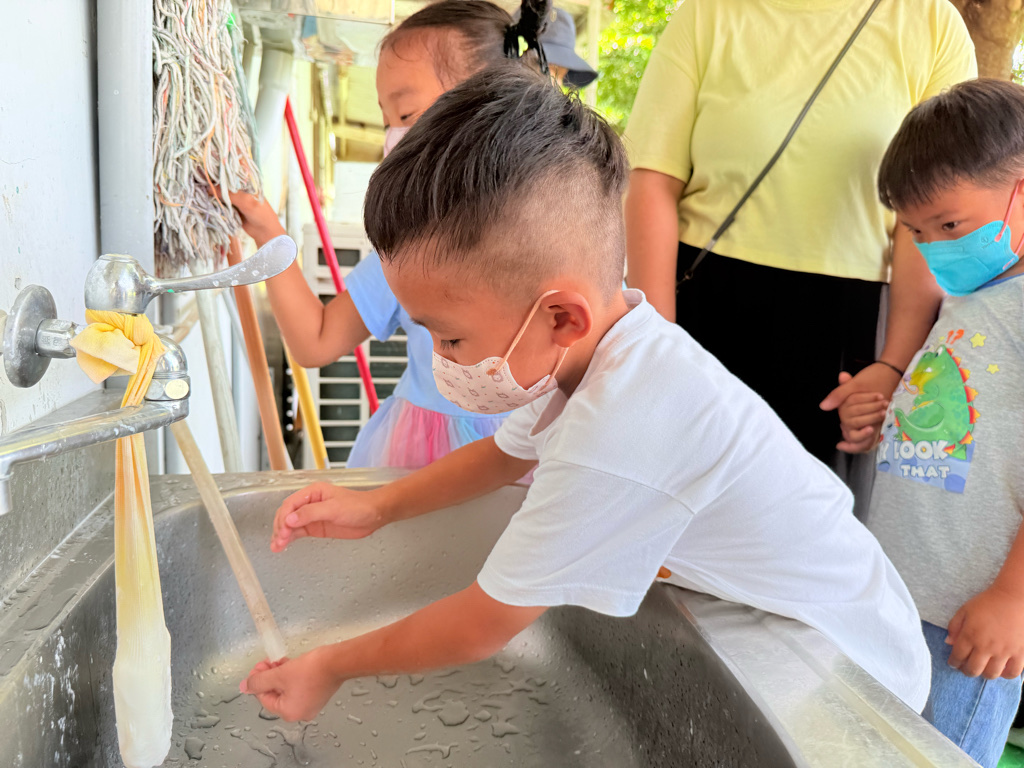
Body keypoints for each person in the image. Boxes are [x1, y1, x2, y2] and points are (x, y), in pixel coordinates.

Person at [239, 67, 930, 723]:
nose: (443, 361)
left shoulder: (621, 423)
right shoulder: (597, 350)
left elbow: (482, 624)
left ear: (562, 317)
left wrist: (327, 667)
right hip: (795, 620)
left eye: (449, 338)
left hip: (849, 669)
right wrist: (377, 507)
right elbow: (502, 458)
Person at [622, 0, 976, 466]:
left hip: (848, 326)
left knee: (810, 502)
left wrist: (894, 365)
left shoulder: (931, 23)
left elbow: (928, 219)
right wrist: (658, 345)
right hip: (701, 301)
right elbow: (652, 179)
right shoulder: (707, 13)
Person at [229, 0, 552, 469]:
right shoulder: (406, 248)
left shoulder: (557, 237)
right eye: (387, 121)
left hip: (532, 461)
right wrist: (268, 232)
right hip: (415, 464)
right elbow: (315, 340)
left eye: (406, 114)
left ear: (491, 111)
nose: (391, 138)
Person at [849, 79, 1024, 768]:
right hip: (898, 598)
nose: (934, 248)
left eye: (949, 226)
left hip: (967, 626)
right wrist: (886, 416)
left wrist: (1014, 597)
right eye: (918, 233)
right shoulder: (970, 299)